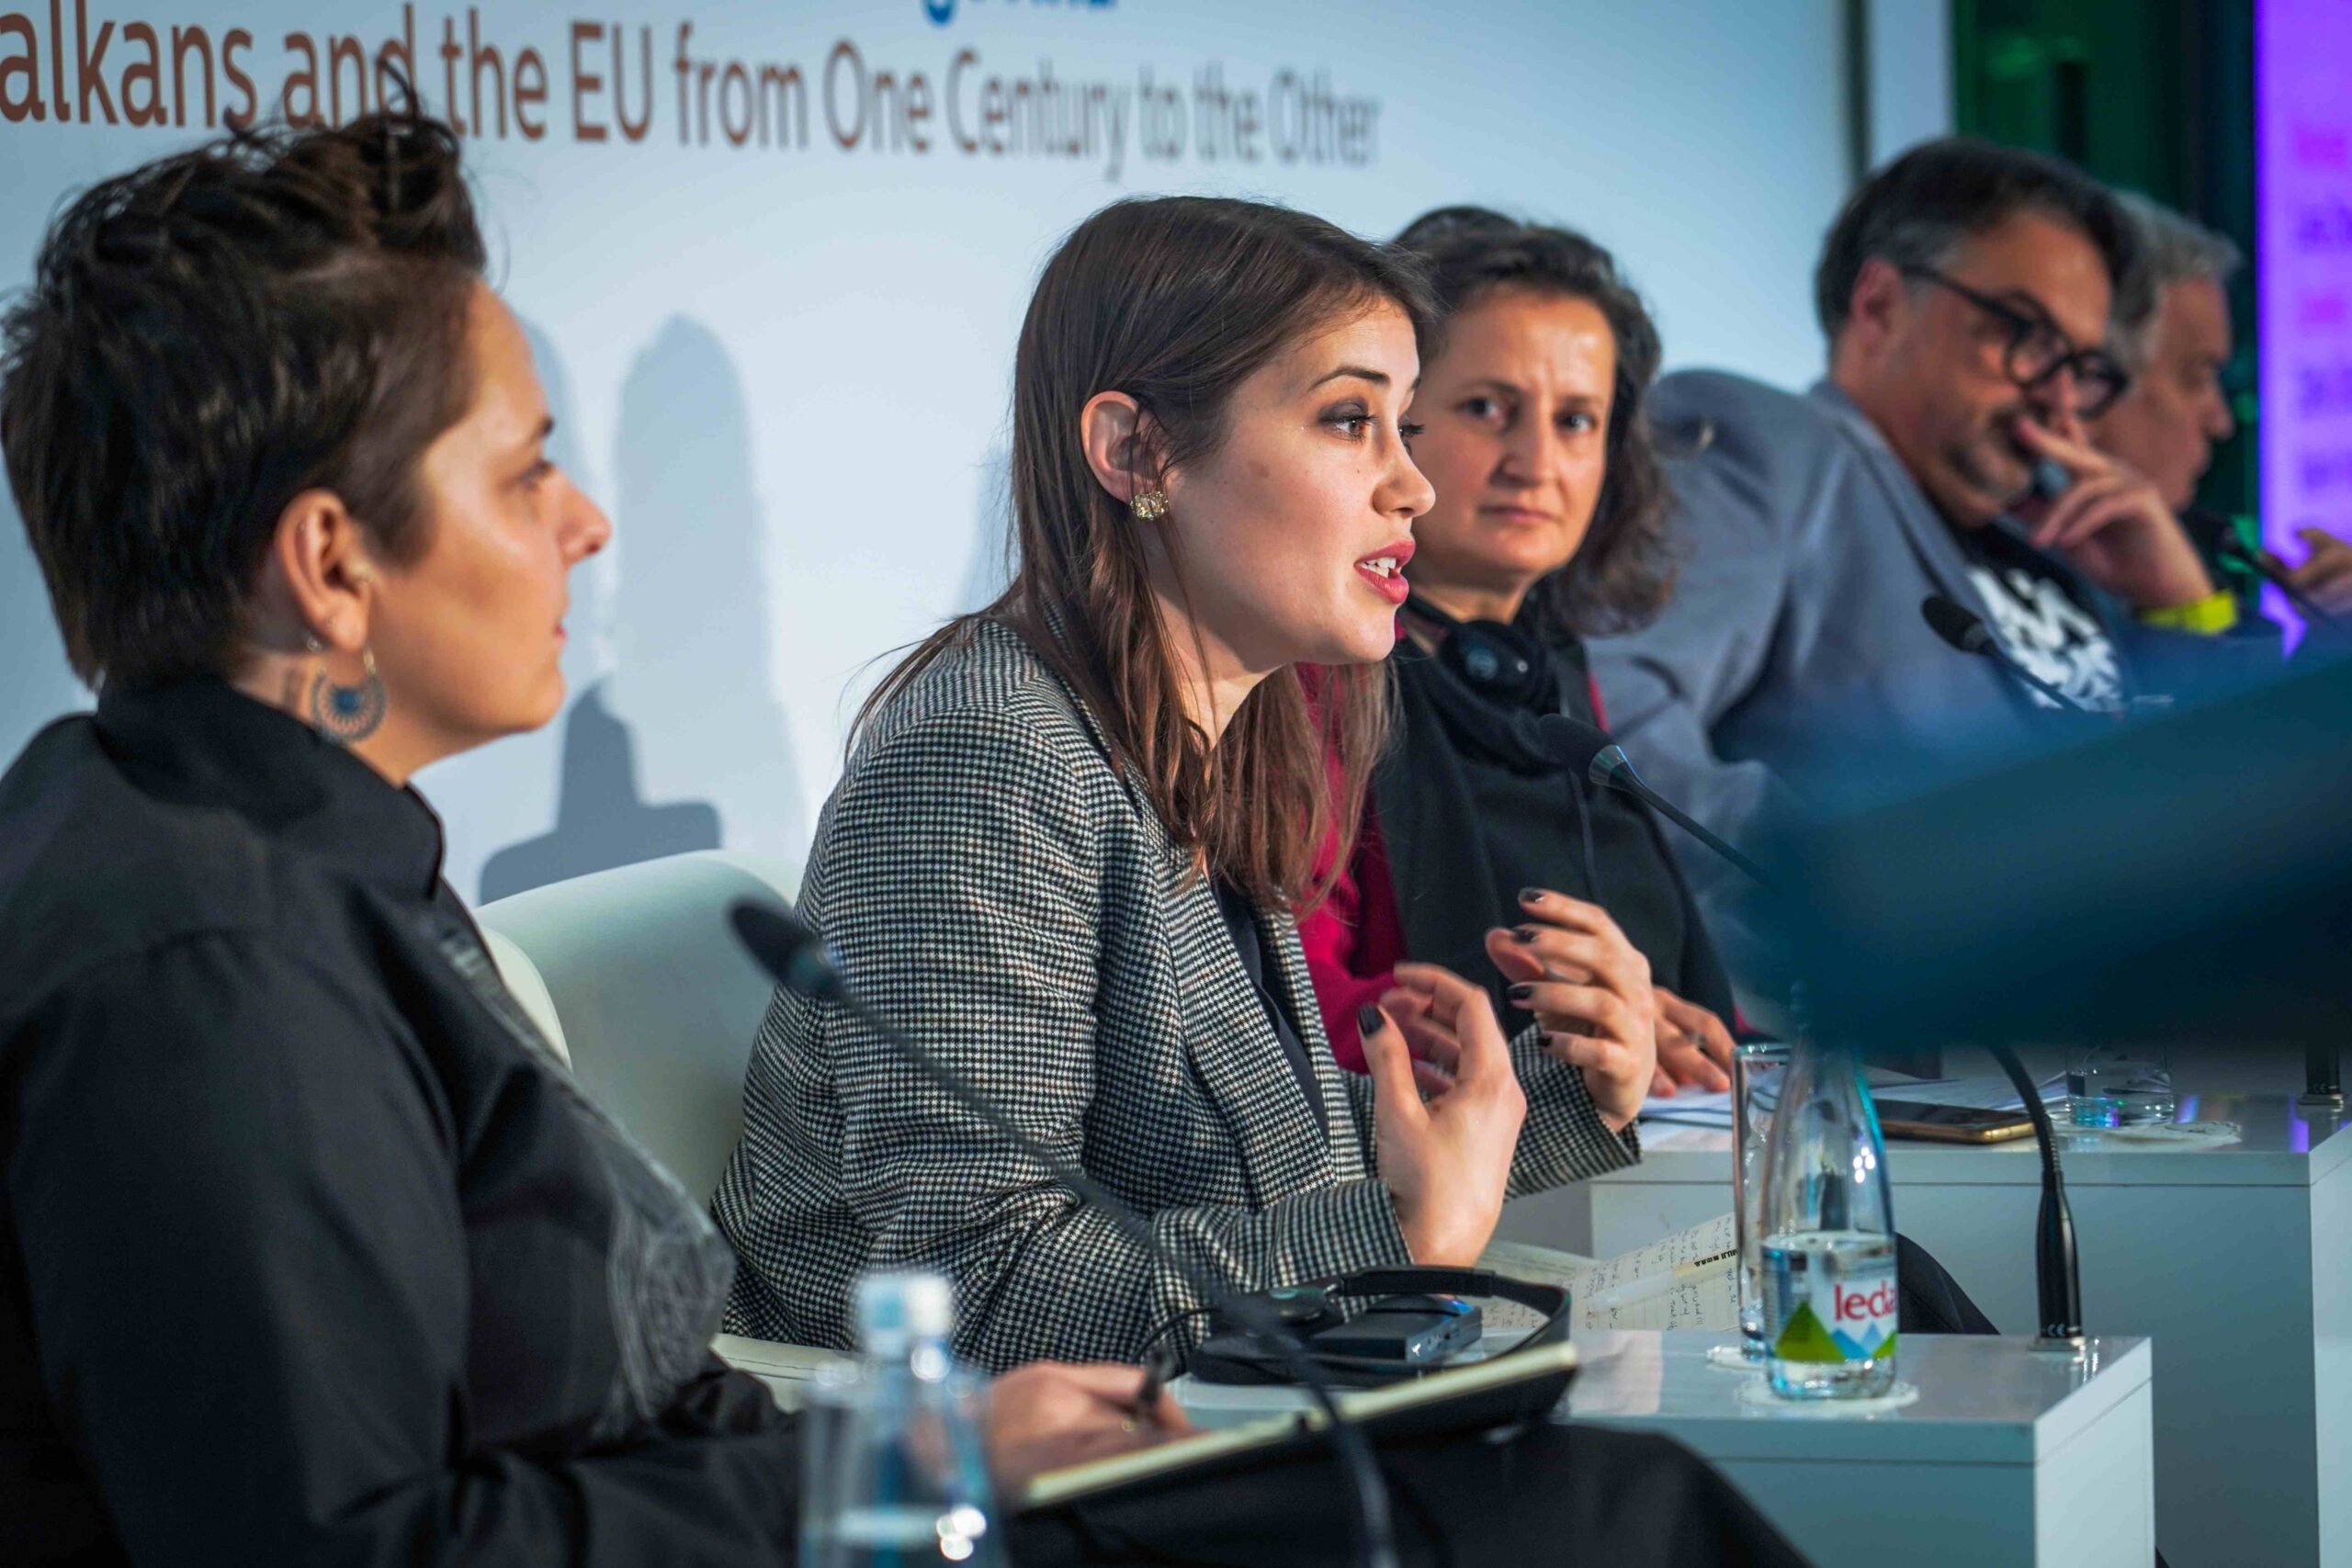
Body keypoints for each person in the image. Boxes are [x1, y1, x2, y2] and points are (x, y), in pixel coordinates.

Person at [0, 110, 1179, 1566]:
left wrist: (914, 1446)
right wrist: (896, 1462)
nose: (589, 524)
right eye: (525, 475)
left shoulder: (285, 851)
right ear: (330, 565)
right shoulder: (210, 970)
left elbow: (598, 1412)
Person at [716, 195, 1658, 1376]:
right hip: (987, 1453)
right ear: (1136, 452)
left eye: (1405, 426)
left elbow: (1251, 1165)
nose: (1411, 486)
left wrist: (1559, 1094)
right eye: (1350, 420)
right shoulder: (983, 761)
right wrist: (1398, 1237)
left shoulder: (1213, 737)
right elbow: (972, 1283)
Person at [1589, 138, 2278, 945]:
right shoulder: (1773, 445)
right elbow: (1612, 704)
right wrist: (1845, 892)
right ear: (1881, 305)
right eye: (2027, 334)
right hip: (1908, 1005)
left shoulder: (2052, 542)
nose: (2059, 399)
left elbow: (2210, 806)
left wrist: (2180, 607)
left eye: (2080, 365)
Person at [1295, 209, 1733, 1098]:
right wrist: (1542, 1043)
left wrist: (1649, 1024)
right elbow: (1277, 1003)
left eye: (1576, 420)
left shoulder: (1551, 674)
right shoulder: (1308, 669)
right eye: (1488, 409)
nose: (1535, 463)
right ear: (1390, 420)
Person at [2088, 189, 2352, 618]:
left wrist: (2332, 638)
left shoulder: (2180, 553)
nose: (2221, 422)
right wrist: (2188, 610)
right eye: (2197, 377)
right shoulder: (2014, 581)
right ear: (2095, 379)